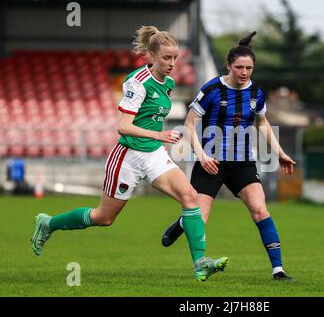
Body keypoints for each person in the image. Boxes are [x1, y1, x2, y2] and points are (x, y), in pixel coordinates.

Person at [30, 25, 228, 282]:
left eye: (175, 58)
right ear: (152, 56)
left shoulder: (168, 83)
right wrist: (159, 135)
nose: (172, 63)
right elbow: (123, 126)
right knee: (104, 218)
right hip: (128, 156)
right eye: (166, 58)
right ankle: (48, 223)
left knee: (190, 197)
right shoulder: (137, 82)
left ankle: (201, 263)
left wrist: (158, 139)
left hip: (154, 154)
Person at [161, 32, 296, 282]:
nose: (244, 72)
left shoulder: (256, 91)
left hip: (242, 163)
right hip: (210, 163)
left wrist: (280, 154)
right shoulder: (212, 89)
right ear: (229, 66)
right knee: (199, 218)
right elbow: (190, 124)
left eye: (249, 68)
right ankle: (182, 225)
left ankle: (278, 269)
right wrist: (201, 156)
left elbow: (262, 122)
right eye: (239, 67)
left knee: (260, 209)